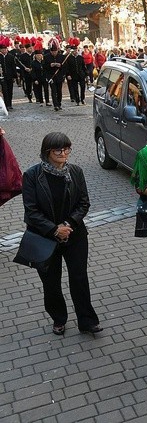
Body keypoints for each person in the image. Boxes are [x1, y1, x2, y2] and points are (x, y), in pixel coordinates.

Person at [22, 132, 101, 336]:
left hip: (74, 234)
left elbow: (84, 203)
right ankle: (59, 318)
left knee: (79, 277)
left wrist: (67, 224)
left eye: (67, 148)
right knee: (51, 281)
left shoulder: (75, 172)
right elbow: (31, 211)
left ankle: (87, 321)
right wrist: (55, 229)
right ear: (47, 152)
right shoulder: (32, 176)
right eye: (58, 149)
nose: (63, 153)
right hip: (45, 237)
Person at [43, 40, 68, 111]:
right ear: (50, 51)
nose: (54, 53)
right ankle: (55, 105)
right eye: (53, 51)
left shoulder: (61, 57)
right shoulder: (46, 57)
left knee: (59, 91)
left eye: (55, 51)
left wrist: (60, 66)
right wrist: (50, 65)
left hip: (59, 76)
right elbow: (44, 67)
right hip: (51, 77)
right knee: (53, 91)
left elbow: (65, 67)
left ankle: (59, 103)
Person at [0, 40, 17, 110]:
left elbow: (13, 67)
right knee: (5, 91)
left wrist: (15, 76)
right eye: (2, 49)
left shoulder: (10, 56)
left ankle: (9, 104)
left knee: (10, 90)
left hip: (10, 76)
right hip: (2, 76)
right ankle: (7, 105)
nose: (4, 51)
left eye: (5, 49)